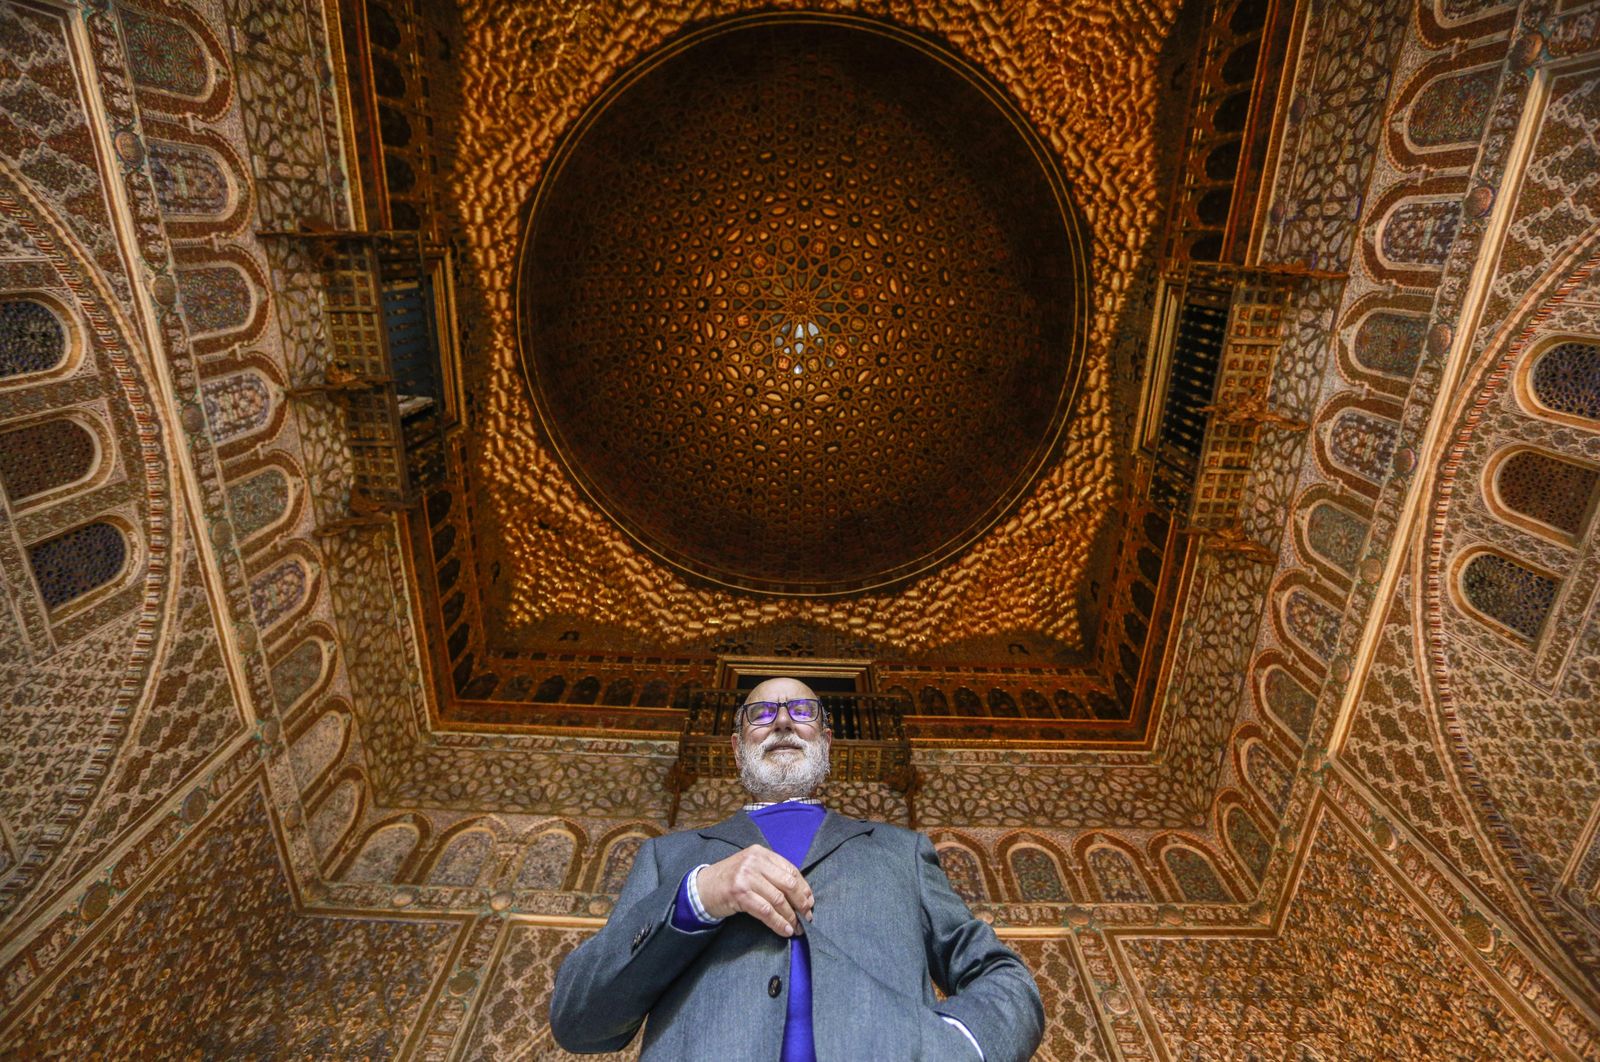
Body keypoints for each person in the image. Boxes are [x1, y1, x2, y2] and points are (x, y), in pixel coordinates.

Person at [550, 676, 1044, 1060]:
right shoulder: (669, 859)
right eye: (761, 713)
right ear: (736, 743)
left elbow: (1006, 979)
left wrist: (955, 1044)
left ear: (825, 737)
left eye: (801, 711)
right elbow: (579, 1020)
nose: (782, 721)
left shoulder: (901, 851)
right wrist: (697, 897)